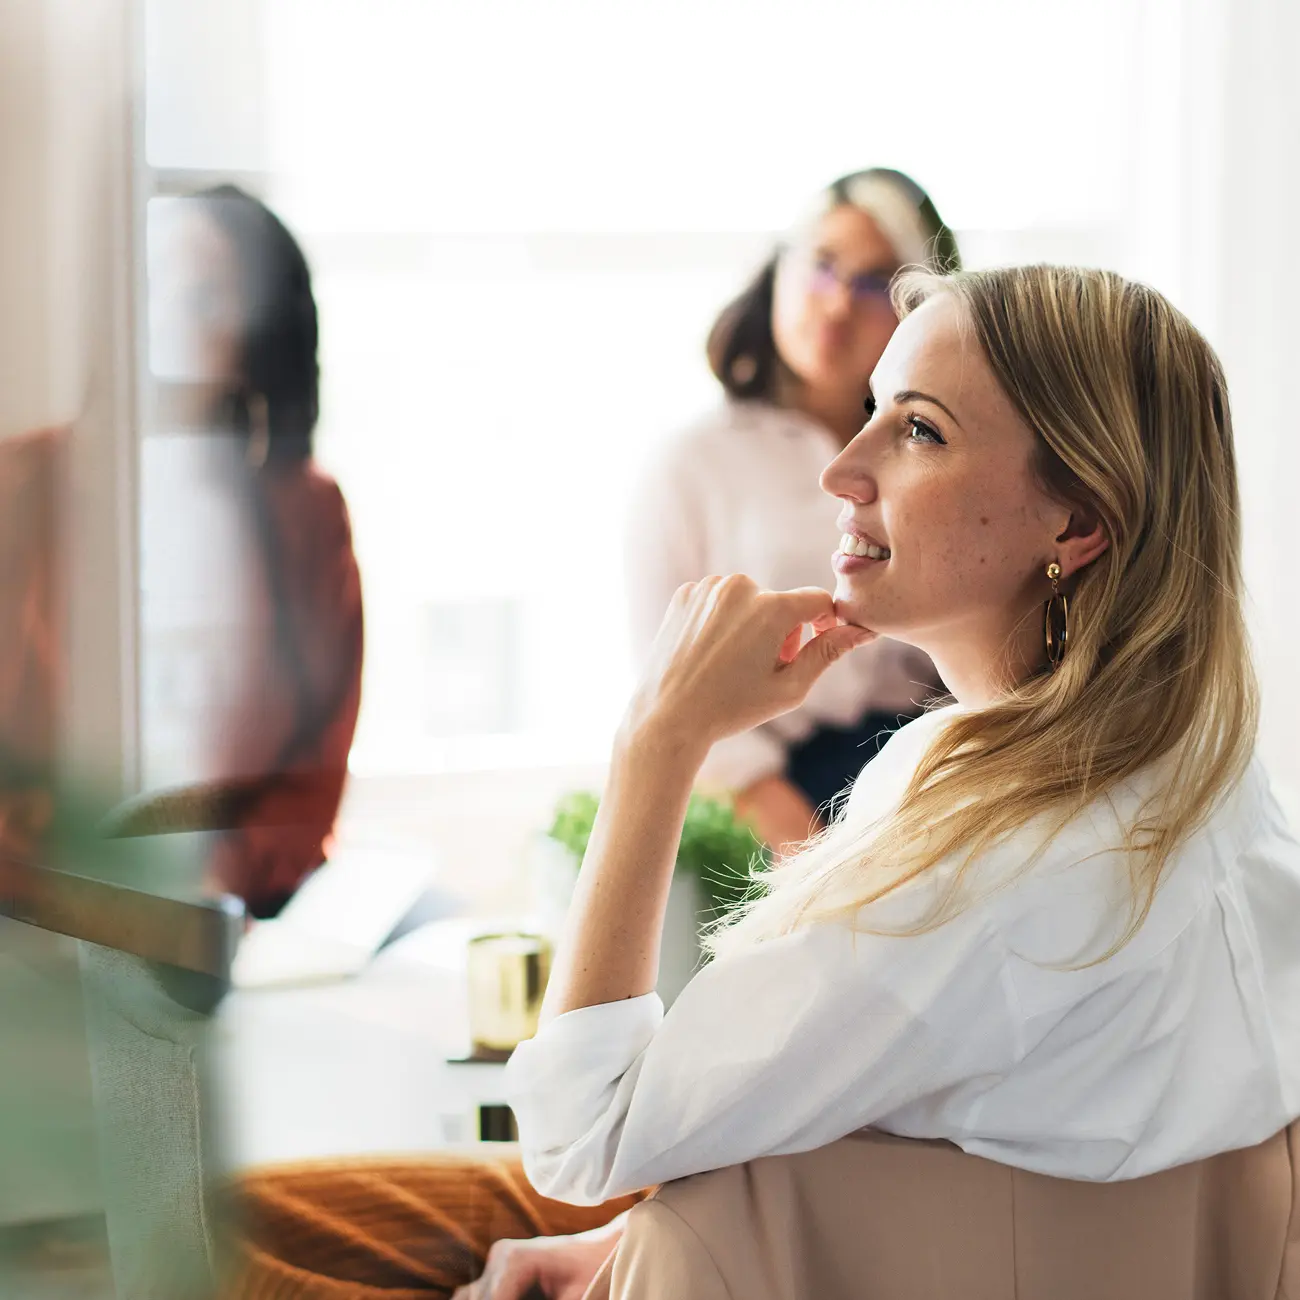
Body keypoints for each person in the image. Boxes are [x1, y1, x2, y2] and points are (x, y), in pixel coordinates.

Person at [222, 265, 1300, 1298]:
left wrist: (661, 734)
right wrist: (634, 1242)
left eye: (919, 430)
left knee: (214, 1234)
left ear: (1075, 521)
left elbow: (583, 1133)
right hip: (829, 1238)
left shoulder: (984, 867)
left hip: (705, 1207)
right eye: (871, 410)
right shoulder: (1204, 776)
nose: (843, 466)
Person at [625, 168, 958, 854]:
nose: (837, 305)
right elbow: (667, 684)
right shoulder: (694, 463)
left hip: (932, 774)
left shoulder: (953, 455)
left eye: (874, 283)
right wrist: (813, 860)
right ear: (779, 269)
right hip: (767, 798)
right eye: (823, 267)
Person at [148, 186, 364, 919]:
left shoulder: (304, 511)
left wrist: (209, 886)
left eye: (206, 300)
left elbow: (316, 773)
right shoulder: (25, 488)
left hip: (236, 912)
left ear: (256, 345)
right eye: (154, 279)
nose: (164, 315)